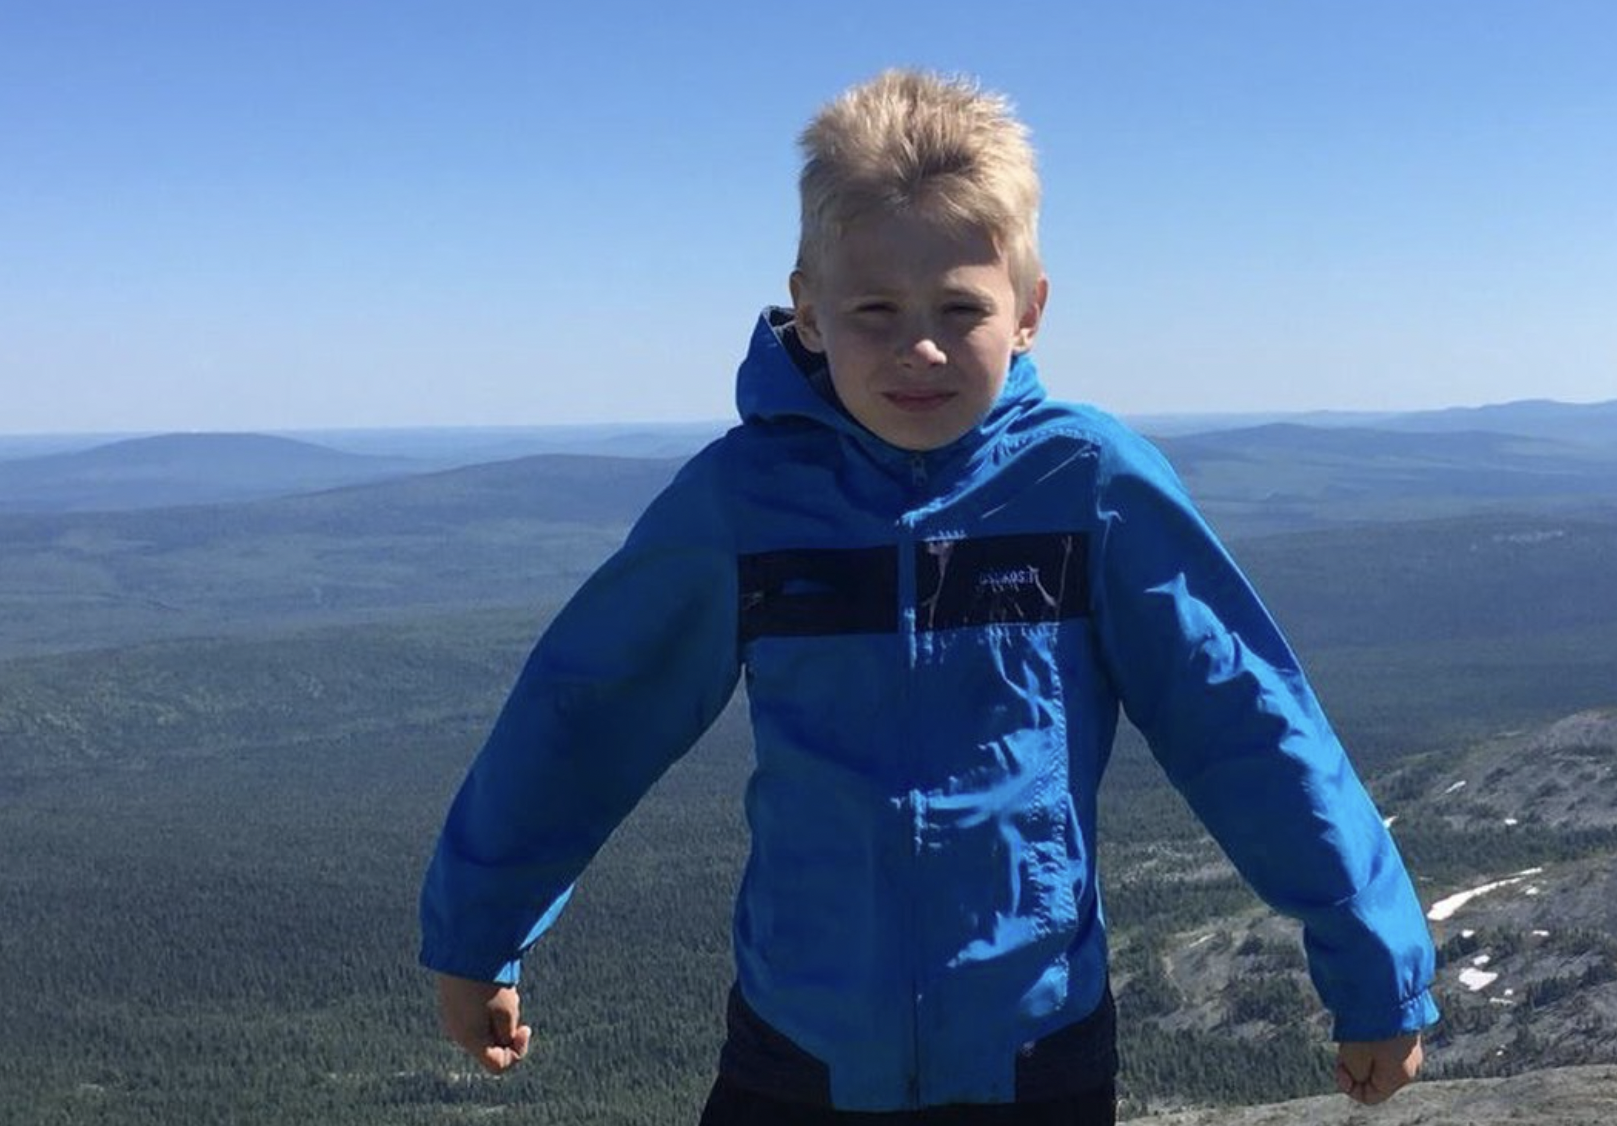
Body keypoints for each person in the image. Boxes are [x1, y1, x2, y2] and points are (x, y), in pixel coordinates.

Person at [419, 69, 1438, 1124]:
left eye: (961, 308)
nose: (920, 347)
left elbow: (1246, 721)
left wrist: (1373, 965)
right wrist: (478, 928)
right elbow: (588, 709)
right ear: (805, 310)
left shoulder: (1087, 485)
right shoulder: (746, 499)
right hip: (796, 1050)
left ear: (1030, 310)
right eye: (873, 310)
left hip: (1033, 1050)